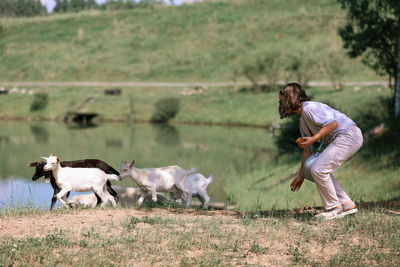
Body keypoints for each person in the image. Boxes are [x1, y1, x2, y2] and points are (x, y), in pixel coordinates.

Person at [279, 82, 363, 219]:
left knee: (318, 169)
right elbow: (307, 150)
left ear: (291, 98)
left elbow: (333, 124)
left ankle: (334, 208)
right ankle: (346, 204)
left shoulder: (309, 108)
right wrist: (301, 175)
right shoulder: (303, 119)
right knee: (310, 169)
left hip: (348, 135)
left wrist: (314, 138)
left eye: (282, 100)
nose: (281, 104)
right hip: (343, 138)